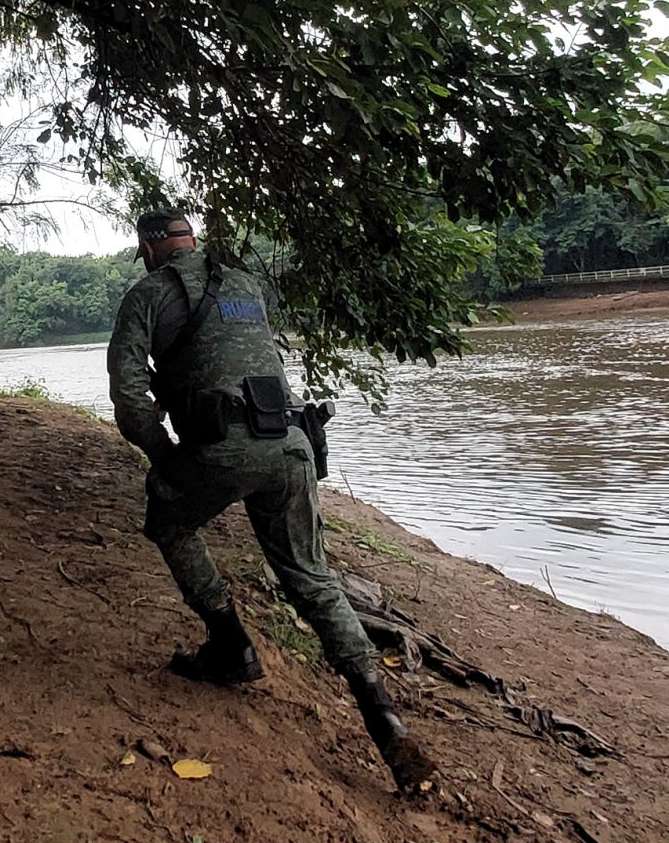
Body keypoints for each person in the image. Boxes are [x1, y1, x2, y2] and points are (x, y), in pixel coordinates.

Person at [107, 209, 438, 795]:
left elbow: (131, 396)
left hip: (220, 446)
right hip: (290, 443)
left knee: (169, 517)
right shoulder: (245, 285)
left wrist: (163, 455)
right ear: (193, 241)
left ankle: (230, 645)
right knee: (312, 577)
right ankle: (384, 715)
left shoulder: (148, 294)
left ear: (151, 248)